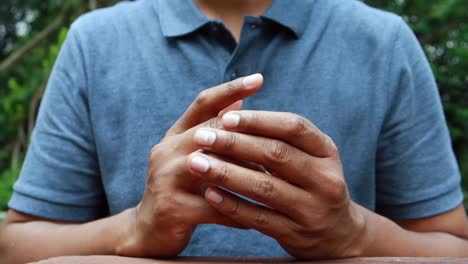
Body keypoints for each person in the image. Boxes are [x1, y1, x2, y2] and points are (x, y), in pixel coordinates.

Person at [1, 0, 467, 263]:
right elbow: (16, 244)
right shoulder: (95, 42)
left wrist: (356, 234)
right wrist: (135, 229)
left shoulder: (383, 43)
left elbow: (453, 247)